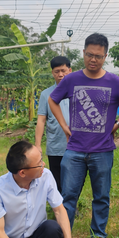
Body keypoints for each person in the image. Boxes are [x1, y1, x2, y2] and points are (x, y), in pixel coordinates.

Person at [48, 33, 119, 238]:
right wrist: (64, 126)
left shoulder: (115, 82)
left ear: (105, 56)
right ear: (83, 53)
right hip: (74, 150)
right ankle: (64, 236)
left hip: (103, 151)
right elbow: (52, 100)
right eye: (90, 55)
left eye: (99, 56)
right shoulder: (71, 79)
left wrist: (118, 123)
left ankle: (98, 234)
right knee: (68, 196)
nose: (93, 59)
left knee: (101, 196)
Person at [35, 55, 72, 193]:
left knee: (73, 178)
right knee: (57, 178)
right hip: (55, 145)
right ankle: (58, 207)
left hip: (74, 145)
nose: (60, 74)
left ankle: (71, 205)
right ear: (52, 73)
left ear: (70, 70)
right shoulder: (46, 94)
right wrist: (37, 145)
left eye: (63, 70)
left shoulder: (77, 91)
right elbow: (41, 120)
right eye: (57, 71)